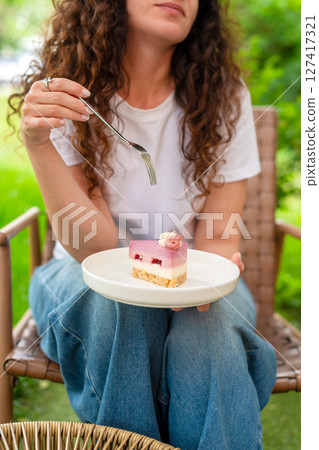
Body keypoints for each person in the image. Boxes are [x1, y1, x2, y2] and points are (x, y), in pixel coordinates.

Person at [8, 0, 277, 448]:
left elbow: (217, 236)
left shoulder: (225, 95)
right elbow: (94, 248)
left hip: (190, 273)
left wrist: (203, 284)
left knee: (206, 327)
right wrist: (39, 143)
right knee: (119, 304)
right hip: (79, 273)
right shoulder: (72, 97)